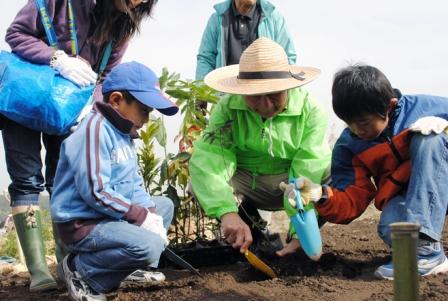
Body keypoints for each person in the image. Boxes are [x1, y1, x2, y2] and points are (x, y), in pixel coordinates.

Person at [3, 0, 158, 292]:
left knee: (60, 177)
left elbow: (106, 76)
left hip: (69, 108)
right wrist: (56, 58)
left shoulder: (123, 25)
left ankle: (66, 260)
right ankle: (38, 270)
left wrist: (92, 107)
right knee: (26, 179)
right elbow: (17, 34)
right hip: (26, 98)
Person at [283, 64, 448, 279]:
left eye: (363, 122)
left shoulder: (426, 108)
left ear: (389, 106)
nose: (357, 131)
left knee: (431, 139)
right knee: (393, 228)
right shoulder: (349, 145)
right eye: (348, 123)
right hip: (409, 198)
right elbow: (351, 199)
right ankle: (424, 251)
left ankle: (424, 251)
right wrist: (320, 195)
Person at [189, 37, 331, 255]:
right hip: (248, 188)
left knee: (331, 174)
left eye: (274, 95)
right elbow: (210, 160)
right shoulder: (228, 109)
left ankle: (301, 240)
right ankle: (251, 233)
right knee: (199, 179)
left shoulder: (311, 111)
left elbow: (308, 171)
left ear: (288, 87)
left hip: (289, 185)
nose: (265, 105)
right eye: (255, 97)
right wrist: (227, 213)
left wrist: (300, 233)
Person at [50, 61, 178, 301]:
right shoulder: (95, 130)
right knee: (149, 246)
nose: (147, 118)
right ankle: (81, 270)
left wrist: (149, 215)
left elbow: (135, 183)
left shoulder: (123, 134)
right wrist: (139, 218)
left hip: (107, 216)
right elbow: (96, 192)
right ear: (117, 100)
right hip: (83, 222)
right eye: (144, 109)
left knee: (163, 207)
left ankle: (125, 270)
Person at [195, 0, 296, 81]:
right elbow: (206, 58)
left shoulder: (273, 17)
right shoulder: (217, 18)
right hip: (226, 95)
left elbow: (288, 57)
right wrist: (201, 92)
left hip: (263, 95)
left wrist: (282, 90)